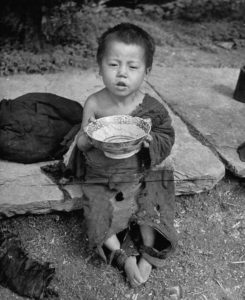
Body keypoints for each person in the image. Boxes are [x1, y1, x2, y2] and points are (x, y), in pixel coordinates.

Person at [76, 23, 178, 287]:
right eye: (113, 65)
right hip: (103, 176)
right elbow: (82, 142)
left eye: (132, 67)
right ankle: (122, 258)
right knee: (96, 210)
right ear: (99, 67)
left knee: (157, 194)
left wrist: (151, 141)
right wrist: (87, 139)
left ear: (147, 72)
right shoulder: (95, 103)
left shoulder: (151, 108)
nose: (122, 73)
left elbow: (166, 137)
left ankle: (149, 253)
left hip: (140, 172)